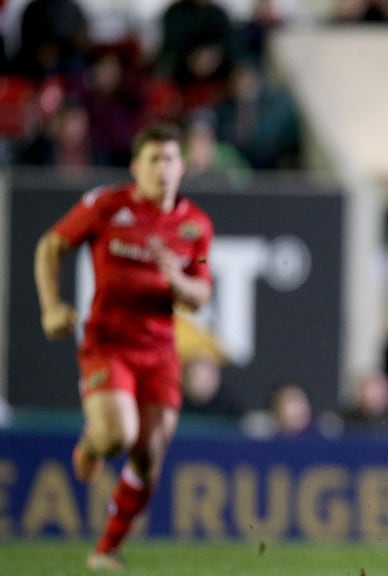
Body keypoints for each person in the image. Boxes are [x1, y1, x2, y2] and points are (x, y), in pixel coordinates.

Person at [33, 123, 213, 572]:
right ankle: (94, 444)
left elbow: (203, 290)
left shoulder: (196, 227)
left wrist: (178, 282)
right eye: (153, 160)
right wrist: (51, 306)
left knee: (150, 456)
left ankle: (106, 548)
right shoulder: (107, 205)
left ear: (182, 167)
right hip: (109, 345)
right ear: (136, 167)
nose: (162, 169)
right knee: (120, 436)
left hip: (160, 351)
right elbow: (51, 245)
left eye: (170, 159)